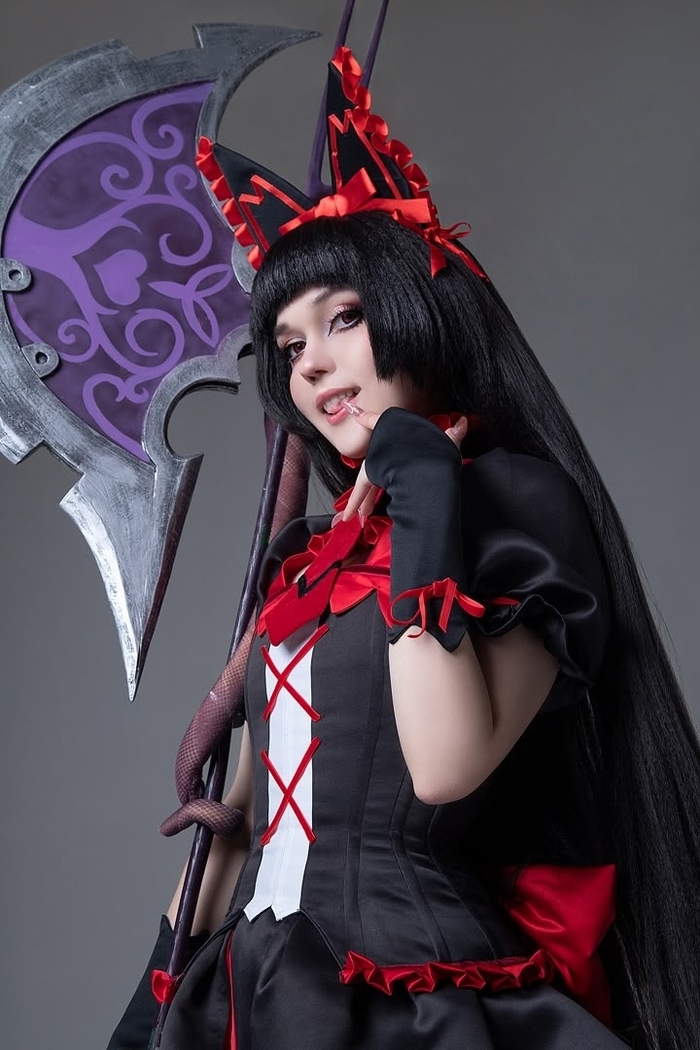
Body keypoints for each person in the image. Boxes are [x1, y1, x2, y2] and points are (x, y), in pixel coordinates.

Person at [108, 48, 700, 1050]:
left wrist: (424, 487)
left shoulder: (516, 508)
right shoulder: (304, 567)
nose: (315, 365)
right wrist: (149, 1002)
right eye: (290, 346)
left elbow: (443, 766)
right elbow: (240, 821)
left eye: (344, 318)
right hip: (247, 994)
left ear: (419, 312)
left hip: (412, 1001)